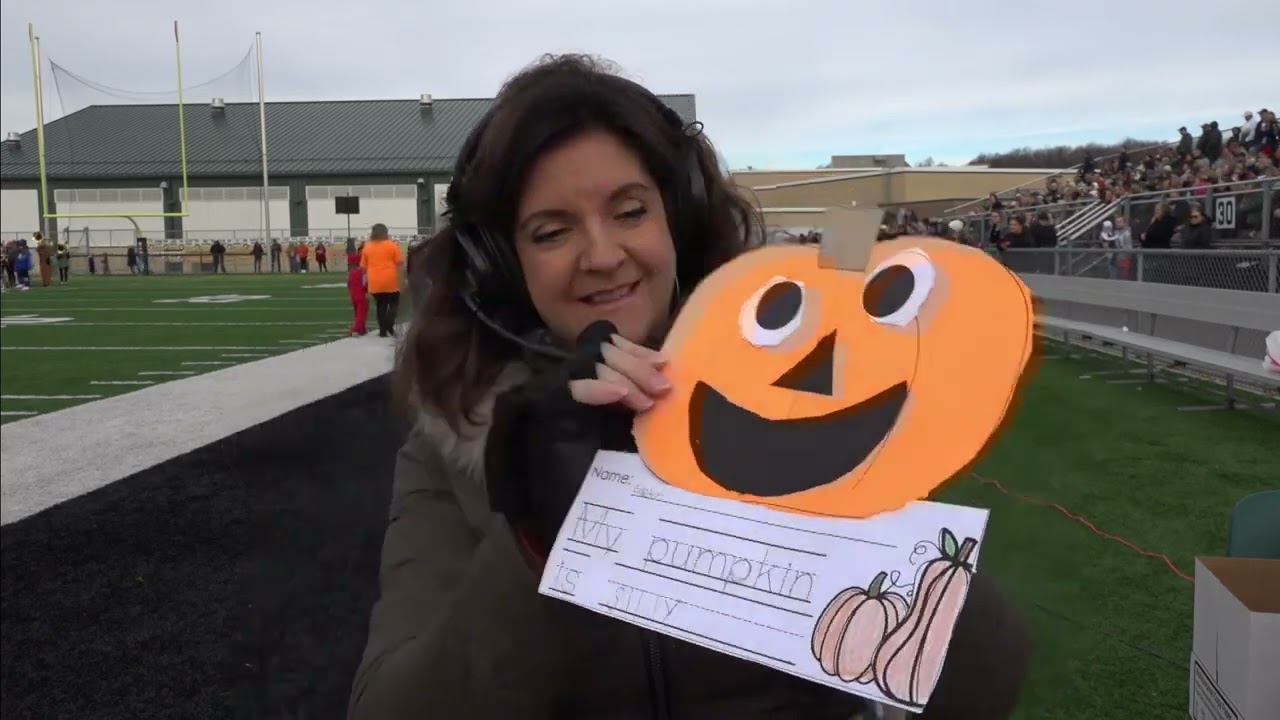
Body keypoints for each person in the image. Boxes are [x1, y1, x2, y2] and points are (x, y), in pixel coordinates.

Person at [350, 54, 1031, 720]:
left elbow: (983, 685)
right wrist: (540, 543)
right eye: (552, 231)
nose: (604, 255)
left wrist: (847, 520)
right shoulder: (451, 442)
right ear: (501, 264)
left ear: (678, 216)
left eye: (629, 211)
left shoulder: (798, 396)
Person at [359, 223, 404, 338]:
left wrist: (365, 282)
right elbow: (399, 263)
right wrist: (403, 278)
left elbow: (363, 267)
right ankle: (390, 323)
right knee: (394, 304)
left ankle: (382, 331)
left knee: (380, 305)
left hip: (374, 281)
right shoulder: (391, 245)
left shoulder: (367, 247)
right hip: (391, 280)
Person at [347, 250, 369, 336]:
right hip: (362, 295)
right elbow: (365, 284)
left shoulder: (351, 273)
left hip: (353, 295)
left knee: (357, 313)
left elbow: (349, 284)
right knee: (361, 314)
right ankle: (356, 329)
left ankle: (362, 329)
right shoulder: (363, 272)